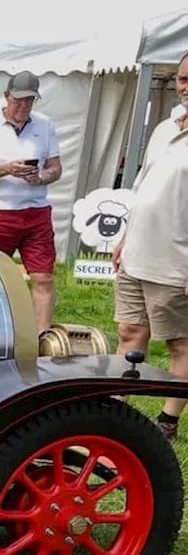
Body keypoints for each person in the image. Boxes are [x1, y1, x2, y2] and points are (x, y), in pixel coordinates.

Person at [111, 50, 188, 440]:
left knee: (180, 342)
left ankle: (168, 421)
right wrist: (125, 236)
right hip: (138, 251)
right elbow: (141, 186)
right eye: (182, 79)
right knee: (128, 331)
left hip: (177, 260)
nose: (186, 88)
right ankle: (117, 408)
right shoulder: (165, 126)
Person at [0, 70, 64, 334]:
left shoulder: (44, 125)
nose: (23, 106)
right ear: (7, 96)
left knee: (43, 277)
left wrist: (41, 177)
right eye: (18, 100)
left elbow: (56, 168)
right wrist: (6, 169)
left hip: (36, 212)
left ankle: (41, 339)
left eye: (29, 101)